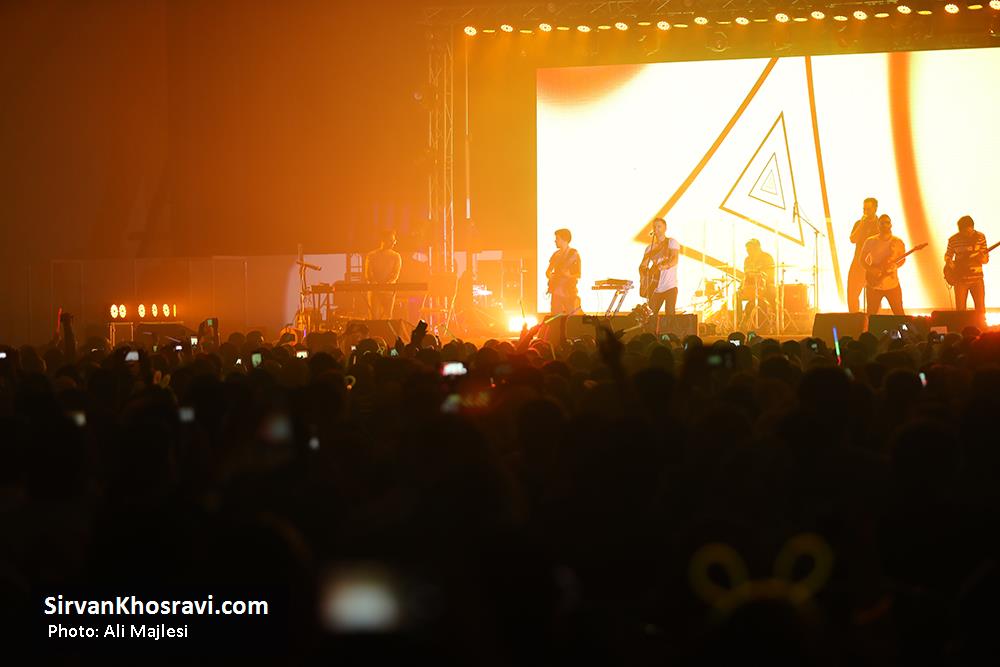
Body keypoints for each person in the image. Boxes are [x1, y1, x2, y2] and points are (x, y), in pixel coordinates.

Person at [638, 217, 680, 334]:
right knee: (651, 316)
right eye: (654, 227)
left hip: (670, 286)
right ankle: (651, 337)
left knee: (670, 314)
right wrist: (644, 277)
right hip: (655, 288)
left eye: (659, 226)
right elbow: (642, 266)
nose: (656, 229)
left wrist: (664, 266)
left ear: (665, 228)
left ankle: (670, 337)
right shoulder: (649, 248)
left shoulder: (671, 242)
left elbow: (674, 259)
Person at [861, 214, 906, 316]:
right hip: (874, 286)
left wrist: (895, 266)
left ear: (891, 225)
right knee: (871, 316)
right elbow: (862, 260)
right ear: (878, 225)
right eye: (882, 223)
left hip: (892, 285)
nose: (885, 225)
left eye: (887, 222)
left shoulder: (898, 242)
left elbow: (902, 259)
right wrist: (871, 270)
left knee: (899, 314)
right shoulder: (870, 241)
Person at [944, 215, 989, 313]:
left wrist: (981, 257)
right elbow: (948, 255)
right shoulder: (953, 240)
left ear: (973, 227)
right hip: (960, 280)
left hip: (977, 279)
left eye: (969, 232)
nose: (967, 234)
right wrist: (949, 263)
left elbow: (985, 260)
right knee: (960, 311)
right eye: (964, 232)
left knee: (980, 309)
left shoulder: (980, 237)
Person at [545, 228, 581, 342]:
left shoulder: (574, 254)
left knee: (570, 319)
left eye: (557, 238)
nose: (555, 241)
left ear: (564, 240)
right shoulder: (555, 255)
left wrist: (568, 275)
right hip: (556, 292)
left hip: (568, 292)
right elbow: (548, 271)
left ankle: (571, 340)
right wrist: (550, 276)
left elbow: (578, 274)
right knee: (555, 318)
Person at [847, 197, 880, 313]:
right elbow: (852, 239)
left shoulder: (880, 224)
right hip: (858, 263)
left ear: (875, 209)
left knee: (875, 297)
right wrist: (861, 225)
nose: (865, 212)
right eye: (864, 209)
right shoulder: (859, 223)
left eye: (868, 209)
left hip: (873, 264)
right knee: (852, 293)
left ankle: (873, 320)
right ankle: (854, 318)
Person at [738, 239, 776, 328]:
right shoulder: (747, 259)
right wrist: (742, 285)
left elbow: (770, 275)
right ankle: (740, 321)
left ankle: (773, 320)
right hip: (750, 287)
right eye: (747, 249)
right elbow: (745, 275)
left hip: (765, 285)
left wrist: (760, 277)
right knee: (736, 296)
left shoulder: (767, 257)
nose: (748, 251)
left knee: (772, 292)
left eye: (750, 249)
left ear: (758, 247)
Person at [364, 230, 402, 319]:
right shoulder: (371, 255)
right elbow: (368, 273)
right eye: (391, 240)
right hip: (378, 291)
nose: (393, 243)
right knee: (375, 317)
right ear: (383, 240)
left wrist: (383, 284)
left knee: (386, 317)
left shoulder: (396, 256)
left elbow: (395, 274)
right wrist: (381, 284)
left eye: (394, 241)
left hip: (385, 291)